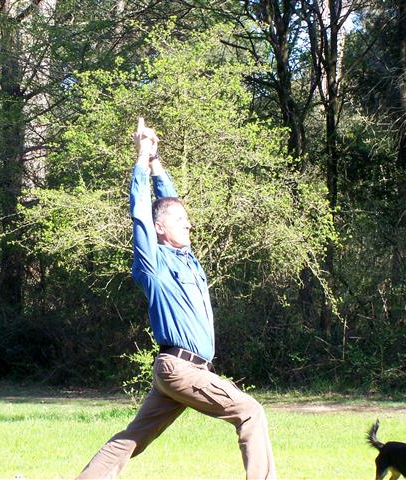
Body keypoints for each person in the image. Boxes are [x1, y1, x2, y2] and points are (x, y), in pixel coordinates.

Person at [77, 118, 277, 480]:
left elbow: (168, 201)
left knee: (132, 439)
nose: (189, 224)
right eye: (180, 220)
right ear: (160, 229)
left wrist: (155, 161)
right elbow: (142, 210)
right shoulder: (152, 263)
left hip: (183, 371)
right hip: (180, 368)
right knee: (250, 412)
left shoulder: (188, 258)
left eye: (187, 219)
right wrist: (140, 156)